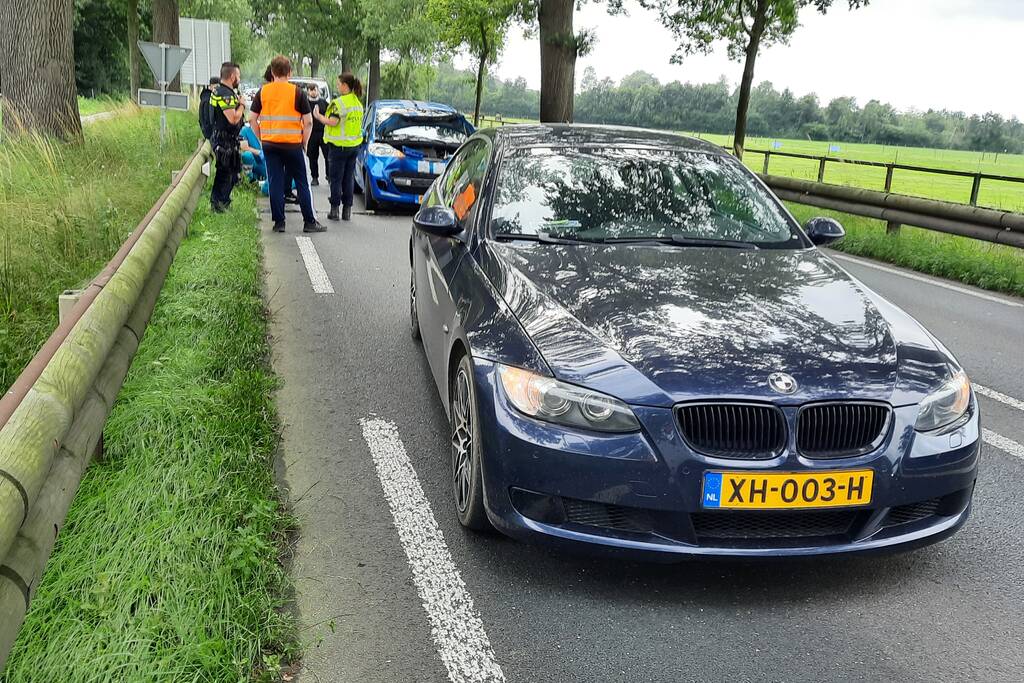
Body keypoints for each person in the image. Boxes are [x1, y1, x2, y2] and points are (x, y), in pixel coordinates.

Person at [250, 55, 324, 233]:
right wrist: (304, 142)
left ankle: (279, 223)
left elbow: (252, 119)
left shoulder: (263, 92)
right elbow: (308, 122)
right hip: (292, 145)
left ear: (273, 72)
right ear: (289, 72)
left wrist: (262, 138)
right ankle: (309, 222)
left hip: (270, 145)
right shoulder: (297, 92)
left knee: (275, 182)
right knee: (301, 182)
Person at [315, 72, 364, 221]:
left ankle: (334, 210)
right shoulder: (357, 103)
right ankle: (347, 211)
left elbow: (333, 122)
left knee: (336, 179)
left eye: (338, 84)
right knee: (348, 178)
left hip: (339, 147)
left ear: (344, 85)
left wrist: (318, 116)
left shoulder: (340, 103)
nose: (337, 86)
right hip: (354, 146)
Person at [210, 62, 245, 212]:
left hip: (222, 138)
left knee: (228, 172)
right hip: (225, 140)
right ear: (232, 76)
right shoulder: (225, 94)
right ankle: (221, 204)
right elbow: (233, 119)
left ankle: (219, 203)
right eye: (238, 76)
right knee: (227, 173)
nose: (239, 79)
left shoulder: (218, 90)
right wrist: (242, 105)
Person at [306, 84, 330, 186]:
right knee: (312, 156)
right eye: (310, 90)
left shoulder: (324, 103)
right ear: (307, 91)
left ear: (318, 91)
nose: (313, 92)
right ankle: (314, 177)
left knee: (328, 156)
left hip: (324, 132)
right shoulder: (305, 103)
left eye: (314, 90)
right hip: (311, 133)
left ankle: (329, 176)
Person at [198, 76, 220, 140]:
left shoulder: (205, 97)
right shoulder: (209, 100)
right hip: (210, 134)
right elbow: (208, 118)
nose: (217, 89)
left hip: (207, 132)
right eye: (216, 87)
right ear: (210, 87)